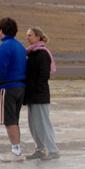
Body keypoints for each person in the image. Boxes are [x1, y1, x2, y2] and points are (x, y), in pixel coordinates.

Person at [0, 17, 28, 162]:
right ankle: (16, 150)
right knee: (14, 119)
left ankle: (16, 152)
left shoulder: (4, 47)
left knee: (9, 120)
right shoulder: (20, 46)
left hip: (8, 87)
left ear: (1, 30)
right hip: (20, 86)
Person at [23, 26, 60, 161]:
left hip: (39, 94)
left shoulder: (43, 54)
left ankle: (53, 150)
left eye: (30, 35)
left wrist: (35, 89)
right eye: (27, 35)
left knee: (43, 123)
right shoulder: (30, 53)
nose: (27, 38)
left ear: (38, 37)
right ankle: (40, 149)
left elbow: (43, 75)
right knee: (33, 124)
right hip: (31, 95)